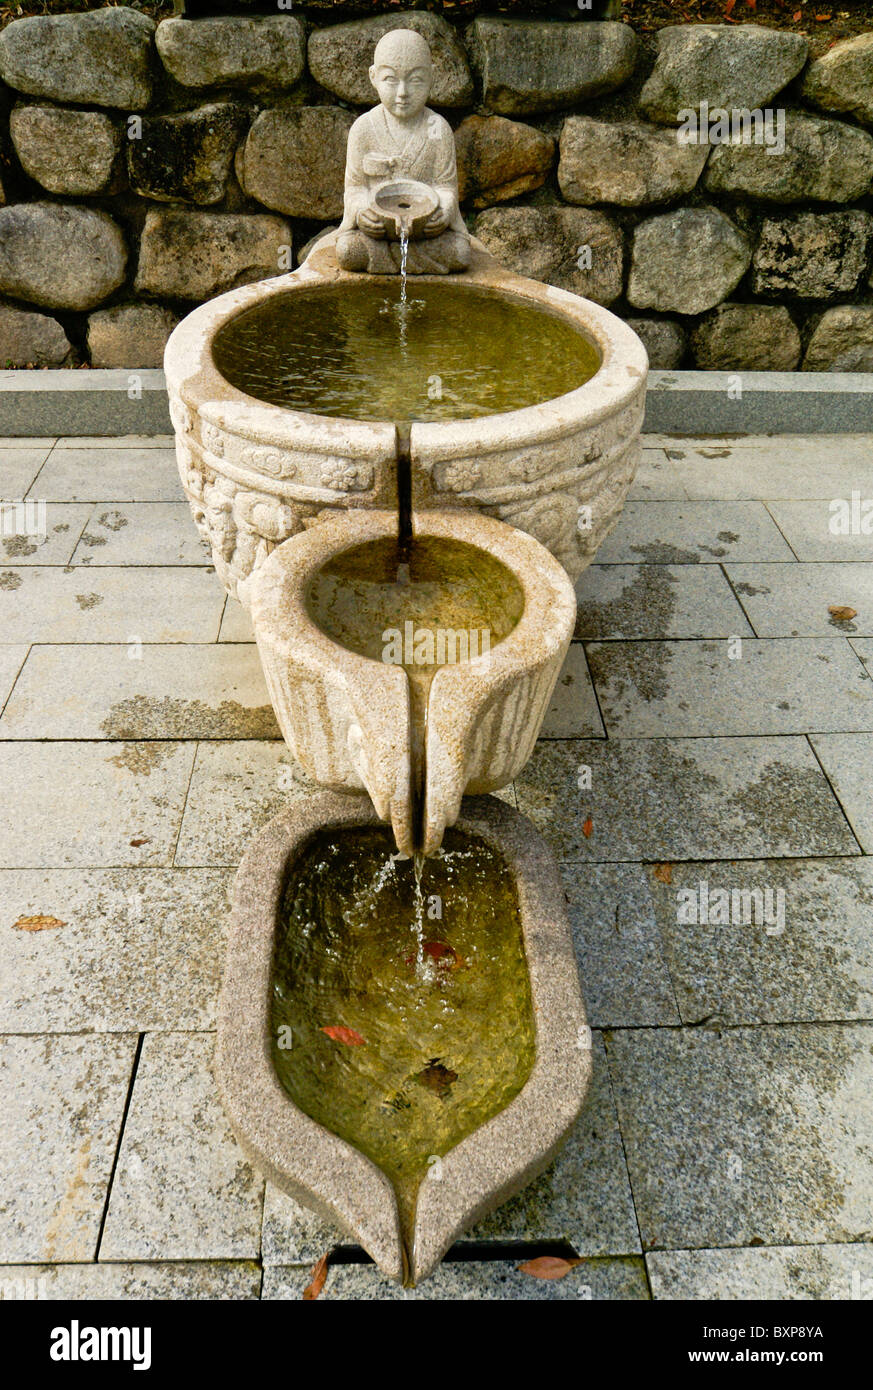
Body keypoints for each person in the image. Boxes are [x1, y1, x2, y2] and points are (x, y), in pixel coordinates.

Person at [336, 28, 471, 275]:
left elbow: (446, 186)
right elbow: (355, 189)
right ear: (373, 77)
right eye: (391, 79)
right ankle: (408, 262)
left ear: (432, 77)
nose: (402, 93)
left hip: (424, 234)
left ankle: (395, 262)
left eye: (415, 79)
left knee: (460, 253)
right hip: (380, 235)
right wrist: (362, 212)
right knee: (348, 251)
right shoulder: (363, 129)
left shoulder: (437, 128)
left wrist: (445, 212)